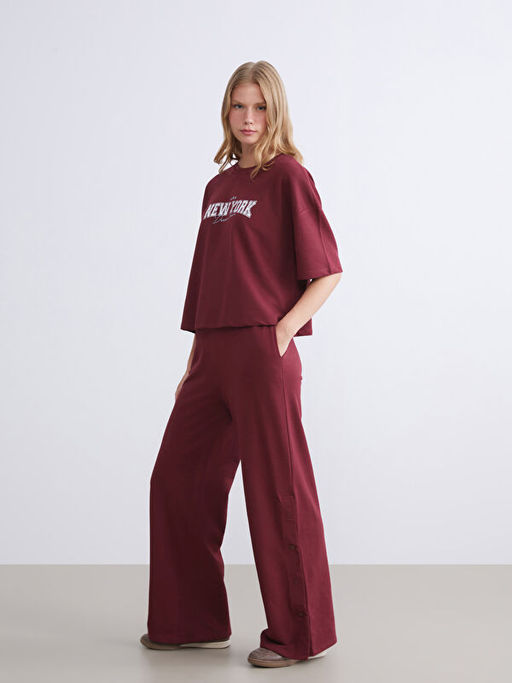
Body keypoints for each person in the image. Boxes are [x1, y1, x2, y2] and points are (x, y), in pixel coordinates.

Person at [140, 60, 343, 669]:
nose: (248, 118)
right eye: (238, 106)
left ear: (274, 111)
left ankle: (298, 636)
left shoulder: (288, 177)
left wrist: (280, 331)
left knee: (277, 492)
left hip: (262, 350)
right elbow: (208, 279)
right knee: (178, 480)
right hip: (212, 352)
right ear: (226, 112)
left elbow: (327, 271)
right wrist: (195, 356)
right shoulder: (218, 188)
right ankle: (189, 622)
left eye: (259, 107)